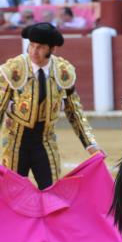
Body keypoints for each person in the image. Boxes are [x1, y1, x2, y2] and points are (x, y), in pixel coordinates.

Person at [0, 23, 100, 189]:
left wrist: (91, 144)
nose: (33, 51)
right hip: (14, 143)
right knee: (13, 193)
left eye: (40, 47)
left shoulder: (63, 71)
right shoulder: (13, 69)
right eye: (32, 45)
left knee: (52, 192)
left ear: (52, 49)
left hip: (45, 142)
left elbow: (74, 111)